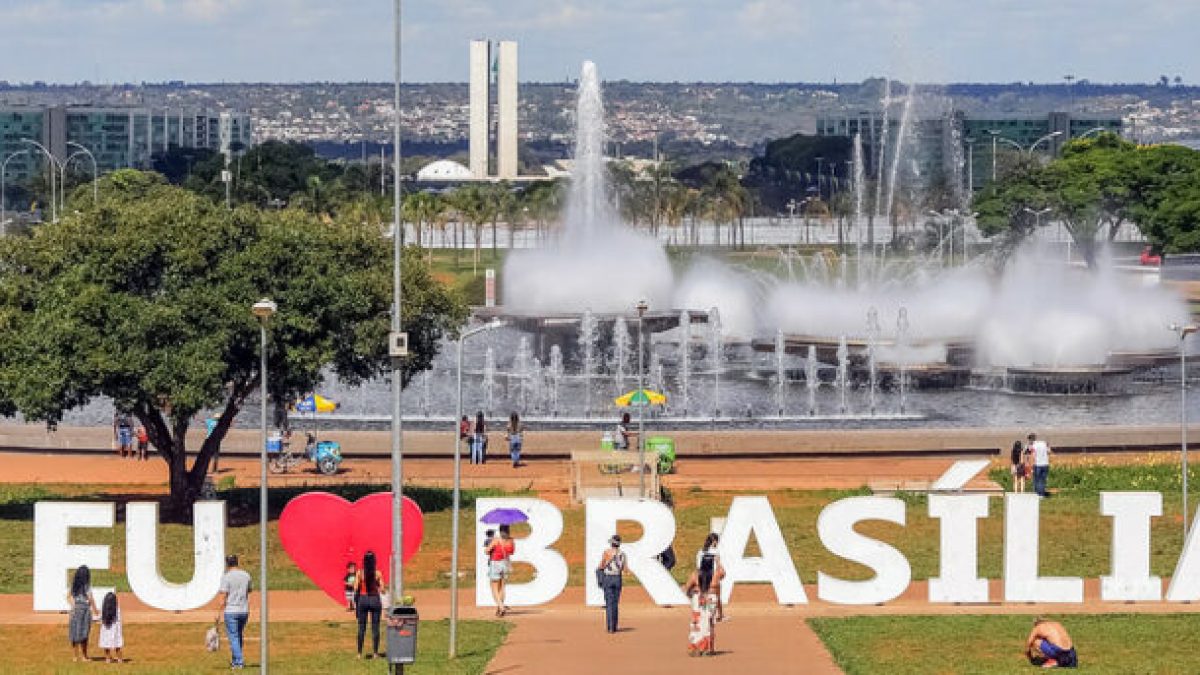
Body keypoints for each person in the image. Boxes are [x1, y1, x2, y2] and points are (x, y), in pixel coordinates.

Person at [217, 554, 252, 669]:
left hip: (231, 610)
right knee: (238, 636)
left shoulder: (226, 577)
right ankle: (235, 660)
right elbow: (248, 591)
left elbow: (223, 595)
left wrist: (218, 613)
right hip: (244, 610)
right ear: (237, 562)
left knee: (233, 637)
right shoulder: (246, 575)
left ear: (227, 563)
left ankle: (239, 662)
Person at [353, 550, 387, 659]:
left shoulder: (360, 573)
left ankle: (359, 653)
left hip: (363, 599)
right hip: (374, 599)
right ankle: (375, 653)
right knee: (375, 627)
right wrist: (378, 587)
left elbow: (355, 588)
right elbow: (382, 589)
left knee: (361, 627)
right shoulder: (377, 573)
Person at [67, 565, 99, 663]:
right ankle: (84, 656)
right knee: (84, 633)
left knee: (74, 633)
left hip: (75, 610)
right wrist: (96, 611)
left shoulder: (74, 585)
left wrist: (73, 606)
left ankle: (75, 656)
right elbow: (90, 598)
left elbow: (68, 596)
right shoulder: (87, 586)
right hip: (85, 610)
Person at [597, 534, 627, 633]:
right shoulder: (623, 554)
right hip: (618, 578)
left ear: (612, 543)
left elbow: (601, 565)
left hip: (608, 578)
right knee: (615, 603)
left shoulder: (607, 552)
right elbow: (625, 569)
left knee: (609, 603)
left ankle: (610, 627)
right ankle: (614, 626)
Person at [485, 524, 515, 616]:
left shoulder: (496, 540)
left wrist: (490, 548)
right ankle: (499, 608)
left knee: (494, 588)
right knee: (502, 587)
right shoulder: (511, 540)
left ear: (500, 531)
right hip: (505, 563)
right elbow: (511, 552)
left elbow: (486, 551)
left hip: (495, 563)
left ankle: (501, 607)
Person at [684, 571, 715, 656]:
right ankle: (700, 648)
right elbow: (687, 589)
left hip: (703, 601)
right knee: (702, 624)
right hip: (702, 602)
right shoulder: (697, 574)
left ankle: (701, 648)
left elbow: (687, 589)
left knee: (702, 623)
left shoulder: (697, 574)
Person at [696, 533, 726, 622]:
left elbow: (698, 566)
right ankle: (720, 616)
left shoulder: (700, 551)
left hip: (702, 575)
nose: (717, 543)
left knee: (703, 595)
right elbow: (718, 565)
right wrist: (723, 572)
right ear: (714, 541)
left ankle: (701, 615)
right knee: (717, 597)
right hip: (712, 576)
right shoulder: (715, 551)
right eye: (717, 541)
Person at [98, 591, 124, 663]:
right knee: (117, 645)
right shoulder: (117, 609)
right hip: (115, 630)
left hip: (106, 629)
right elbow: (119, 620)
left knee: (106, 644)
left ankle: (108, 658)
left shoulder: (103, 609)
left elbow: (100, 618)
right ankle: (120, 659)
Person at [1029, 432, 1053, 497]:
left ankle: (1037, 494)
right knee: (1043, 480)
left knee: (1037, 480)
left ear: (1031, 440)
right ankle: (1042, 494)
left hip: (1038, 465)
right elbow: (1049, 452)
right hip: (1045, 464)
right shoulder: (1043, 443)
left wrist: (1031, 466)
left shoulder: (1033, 446)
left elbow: (1033, 456)